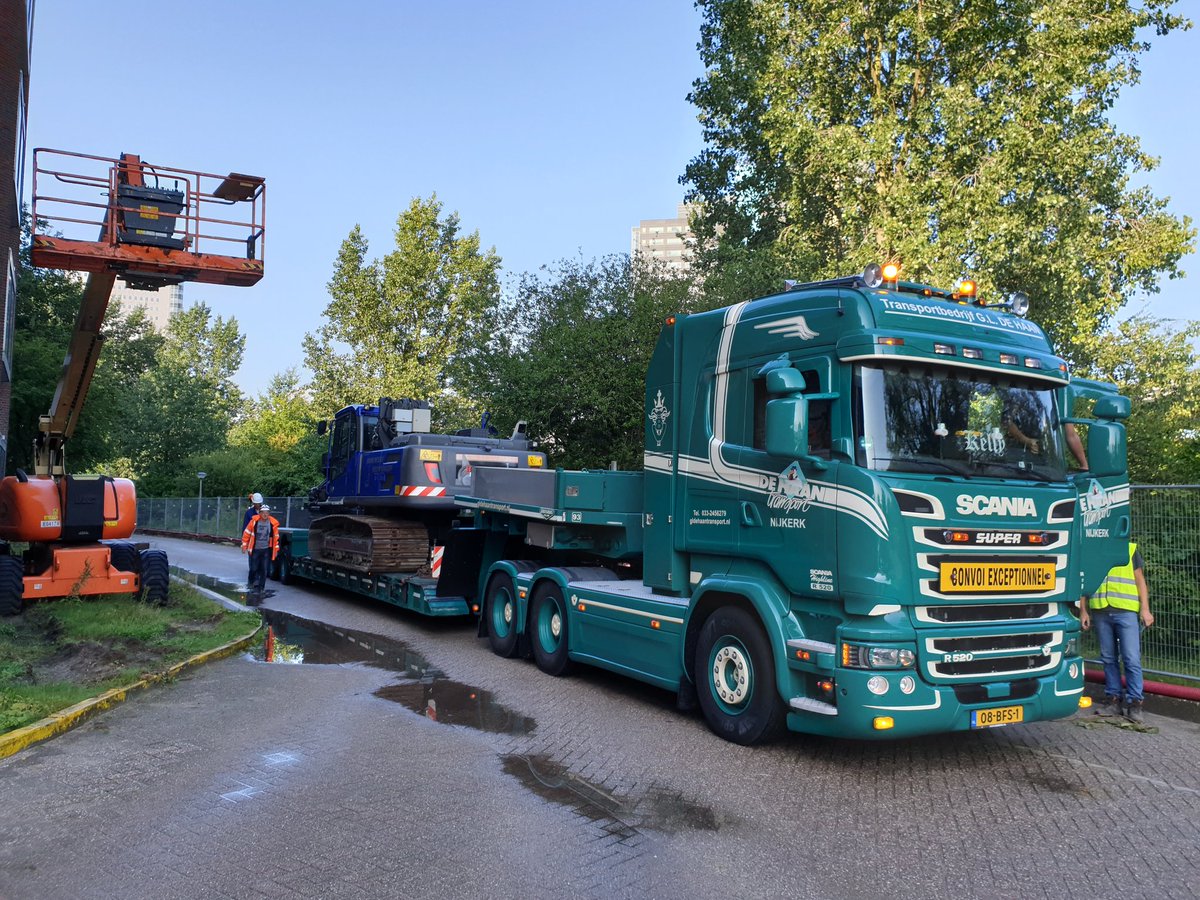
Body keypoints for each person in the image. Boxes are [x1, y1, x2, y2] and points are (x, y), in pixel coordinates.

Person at [1080, 541, 1153, 723]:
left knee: (1131, 658)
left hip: (1125, 611)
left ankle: (1135, 703)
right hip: (1100, 610)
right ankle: (1113, 700)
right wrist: (1083, 610)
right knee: (1108, 658)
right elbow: (1085, 581)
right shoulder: (1093, 549)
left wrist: (1145, 609)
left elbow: (1140, 581)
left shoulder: (1129, 549)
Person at [241, 503, 280, 605]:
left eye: (267, 513)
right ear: (260, 513)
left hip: (266, 550)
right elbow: (247, 533)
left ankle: (261, 588)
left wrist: (275, 550)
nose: (265, 515)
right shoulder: (254, 522)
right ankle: (251, 583)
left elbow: (276, 538)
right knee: (253, 568)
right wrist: (244, 546)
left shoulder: (272, 524)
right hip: (255, 549)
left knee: (264, 569)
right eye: (263, 513)